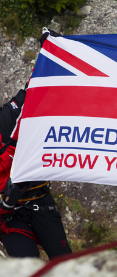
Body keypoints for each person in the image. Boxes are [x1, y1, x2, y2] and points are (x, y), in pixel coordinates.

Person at [0, 78, 72, 260]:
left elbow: (32, 91)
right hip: (8, 218)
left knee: (64, 262)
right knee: (29, 273)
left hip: (37, 199)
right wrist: (5, 205)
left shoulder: (7, 117)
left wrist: (49, 54)